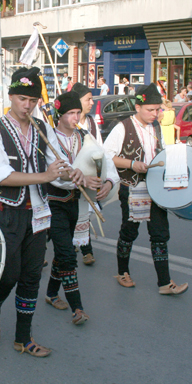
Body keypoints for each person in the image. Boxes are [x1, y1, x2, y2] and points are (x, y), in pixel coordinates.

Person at [0, 67, 85, 357]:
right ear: (11, 96)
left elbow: (55, 169)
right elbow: (0, 175)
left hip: (39, 212)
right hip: (7, 213)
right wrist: (46, 176)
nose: (27, 105)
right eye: (22, 98)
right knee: (8, 275)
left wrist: (70, 174)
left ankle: (23, 338)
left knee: (31, 277)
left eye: (33, 100)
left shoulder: (42, 128)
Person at [104, 83, 188, 295]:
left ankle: (164, 283)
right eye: (150, 109)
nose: (155, 114)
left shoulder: (156, 127)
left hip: (155, 187)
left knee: (160, 234)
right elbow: (106, 156)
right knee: (129, 231)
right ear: (138, 107)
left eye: (157, 109)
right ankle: (122, 272)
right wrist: (132, 164)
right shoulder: (123, 127)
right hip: (132, 187)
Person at [44, 91, 118, 324]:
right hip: (54, 203)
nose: (76, 117)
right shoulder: (49, 139)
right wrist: (82, 180)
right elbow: (54, 176)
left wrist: (108, 181)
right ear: (59, 115)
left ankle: (51, 293)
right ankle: (78, 308)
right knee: (67, 254)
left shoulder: (85, 136)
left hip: (79, 204)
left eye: (78, 112)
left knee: (65, 252)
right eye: (70, 113)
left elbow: (105, 161)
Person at [71, 82, 100, 265]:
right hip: (72, 174)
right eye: (88, 99)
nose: (91, 103)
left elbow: (99, 148)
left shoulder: (91, 122)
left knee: (85, 212)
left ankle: (86, 250)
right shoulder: (68, 123)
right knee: (68, 214)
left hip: (89, 173)